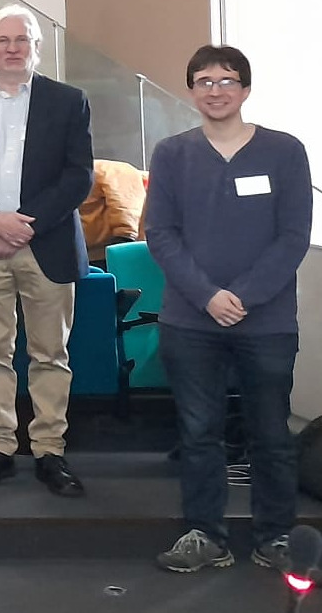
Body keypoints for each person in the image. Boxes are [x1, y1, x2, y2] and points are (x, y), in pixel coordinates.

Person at [147, 46, 311, 574]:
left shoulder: (285, 152)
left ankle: (275, 536)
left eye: (227, 80)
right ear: (191, 90)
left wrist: (245, 296)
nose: (215, 90)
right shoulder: (172, 153)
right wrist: (208, 296)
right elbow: (161, 234)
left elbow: (293, 236)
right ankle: (204, 534)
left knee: (271, 432)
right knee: (199, 433)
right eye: (203, 81)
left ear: (245, 89)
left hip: (266, 322)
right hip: (190, 320)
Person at [0, 5, 93, 499]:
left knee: (51, 353)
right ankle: (0, 445)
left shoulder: (69, 101)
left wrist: (24, 224)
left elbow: (78, 175)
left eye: (21, 40)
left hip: (46, 244)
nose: (11, 48)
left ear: (36, 47)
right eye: (1, 40)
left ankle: (49, 449)